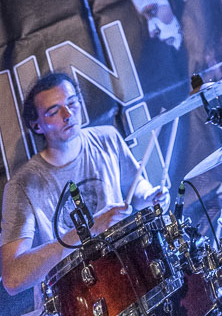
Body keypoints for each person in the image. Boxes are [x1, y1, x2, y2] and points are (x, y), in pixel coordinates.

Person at [0, 71, 170, 306]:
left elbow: (136, 188)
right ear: (36, 125)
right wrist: (88, 230)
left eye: (72, 103)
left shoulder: (107, 139)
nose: (68, 115)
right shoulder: (22, 186)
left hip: (129, 275)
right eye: (54, 111)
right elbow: (13, 278)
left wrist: (150, 197)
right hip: (73, 301)